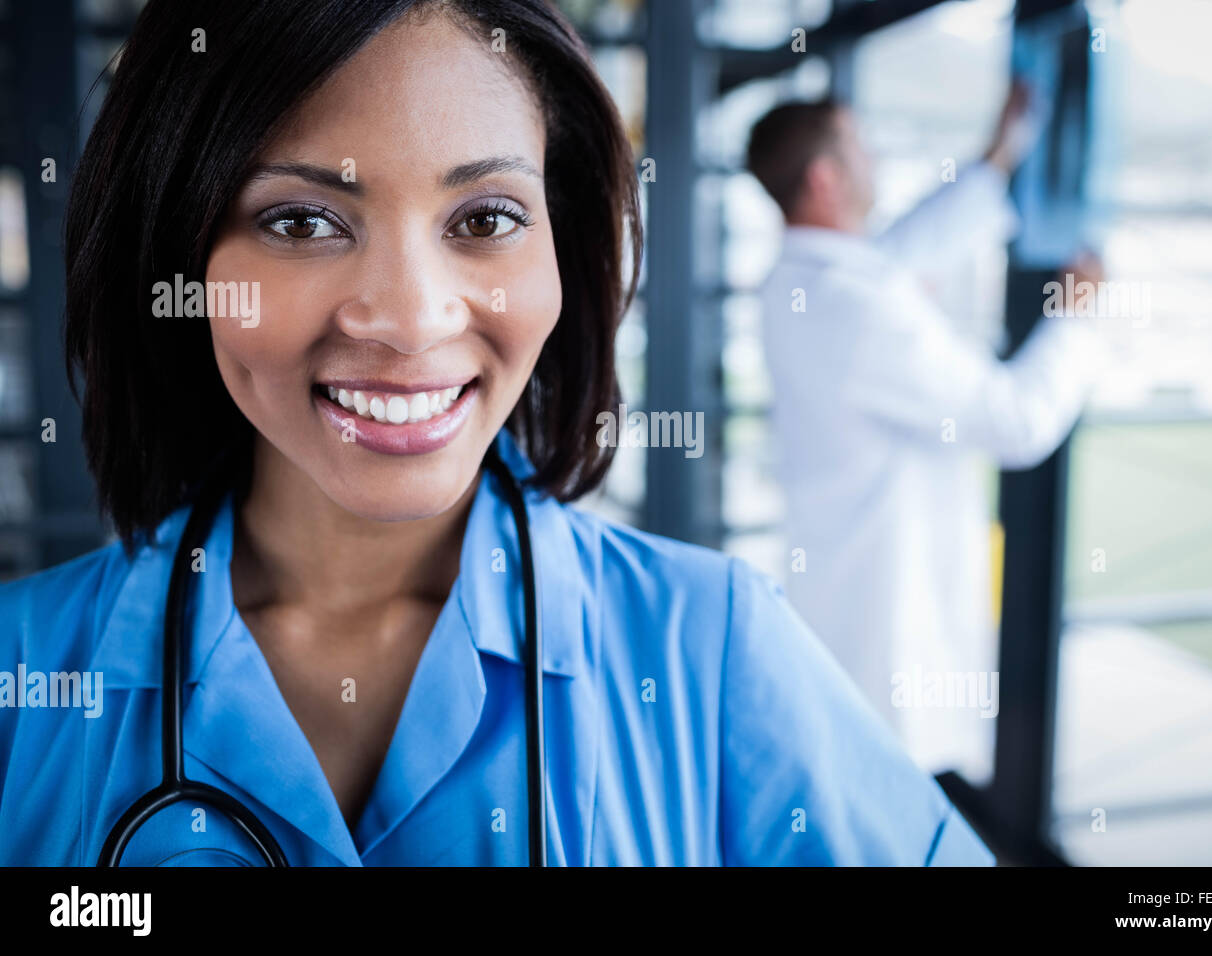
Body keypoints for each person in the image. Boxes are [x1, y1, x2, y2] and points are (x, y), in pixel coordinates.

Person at [0, 0, 992, 866]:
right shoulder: (21, 675)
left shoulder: (713, 649)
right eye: (303, 222)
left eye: (483, 218)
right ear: (179, 257)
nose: (411, 317)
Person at [748, 91, 1104, 777]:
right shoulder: (856, 304)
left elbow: (901, 255)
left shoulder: (803, 281)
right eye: (861, 147)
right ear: (825, 178)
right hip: (889, 631)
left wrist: (996, 160)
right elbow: (1018, 420)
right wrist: (1078, 318)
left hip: (846, 607)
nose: (875, 159)